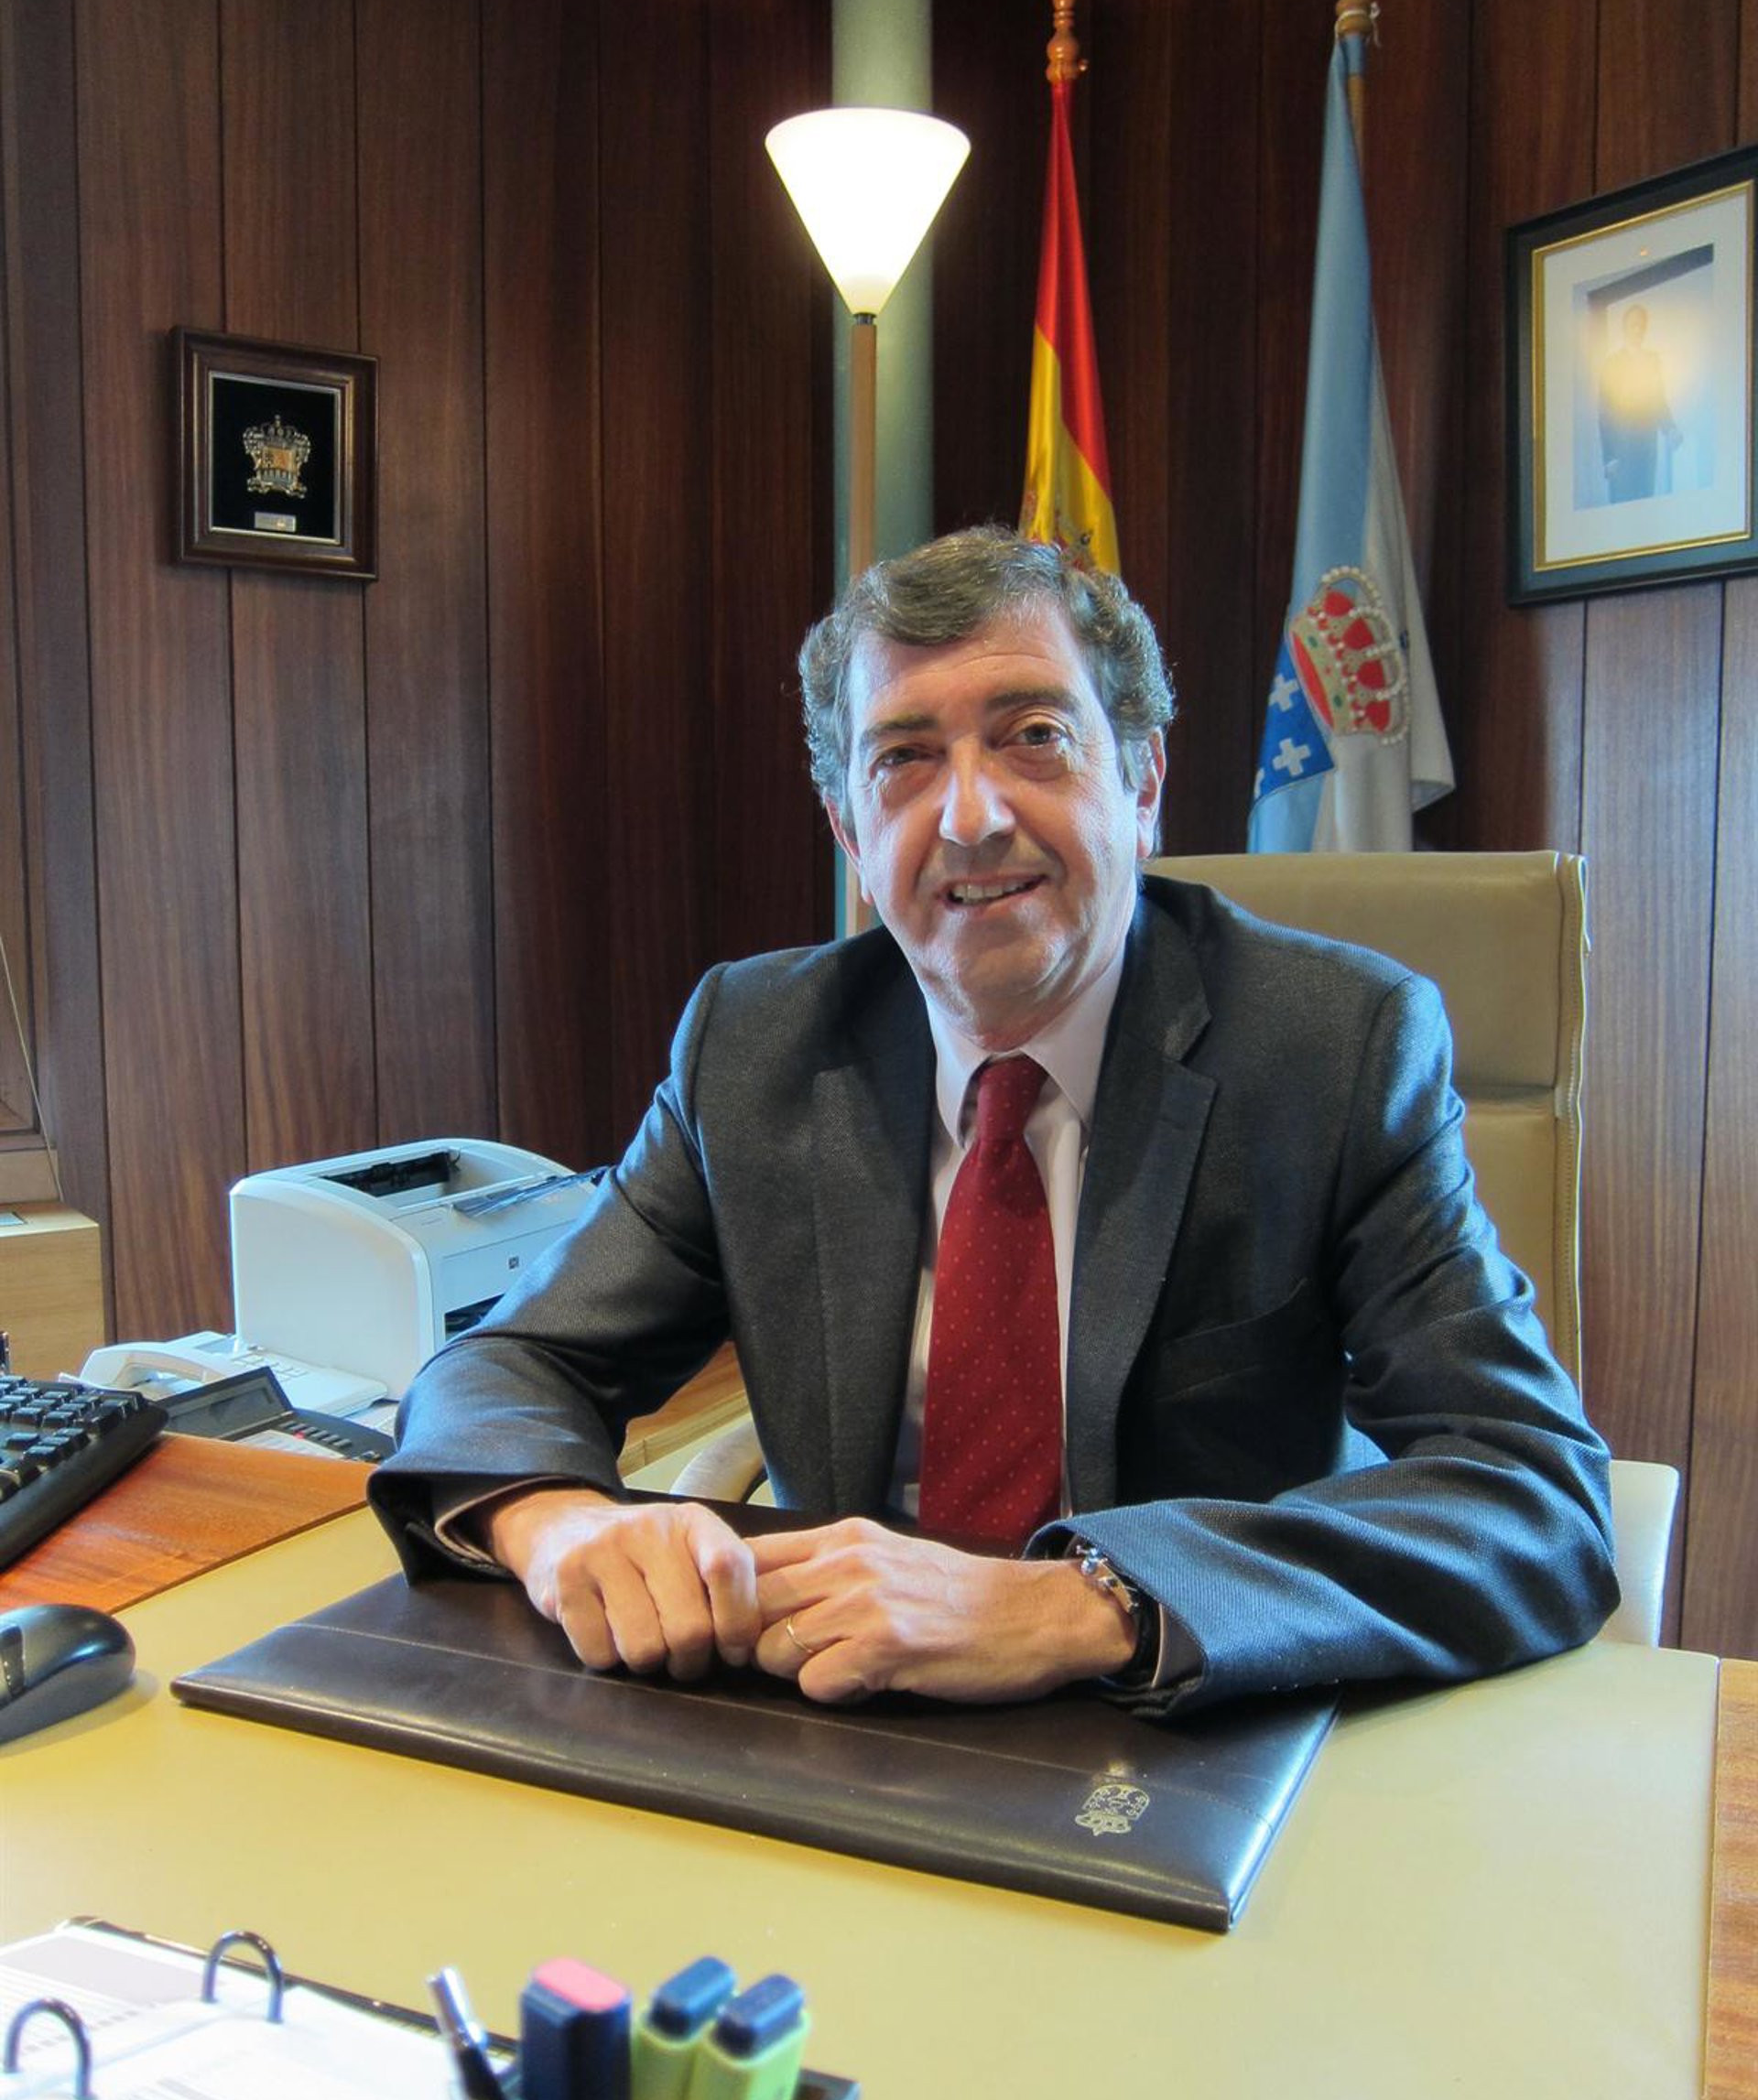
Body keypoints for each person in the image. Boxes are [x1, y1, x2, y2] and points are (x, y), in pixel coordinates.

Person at [371, 528, 1616, 1717]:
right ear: (851, 833)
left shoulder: (1333, 1050)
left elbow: (1530, 1492)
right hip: (829, 1706)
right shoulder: (754, 1048)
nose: (969, 817)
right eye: (904, 759)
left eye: (1034, 737)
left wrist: (1074, 1605)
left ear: (1142, 782)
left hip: (1183, 1721)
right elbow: (514, 1361)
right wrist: (560, 1526)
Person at [1598, 303, 1683, 503]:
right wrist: (1609, 456)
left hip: (1647, 444)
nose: (1637, 330)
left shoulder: (1652, 360)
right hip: (1622, 448)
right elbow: (1605, 412)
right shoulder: (1612, 363)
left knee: (1645, 496)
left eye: (1641, 325)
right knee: (1622, 500)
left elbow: (1658, 400)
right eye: (1633, 325)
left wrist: (1670, 428)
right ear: (1625, 328)